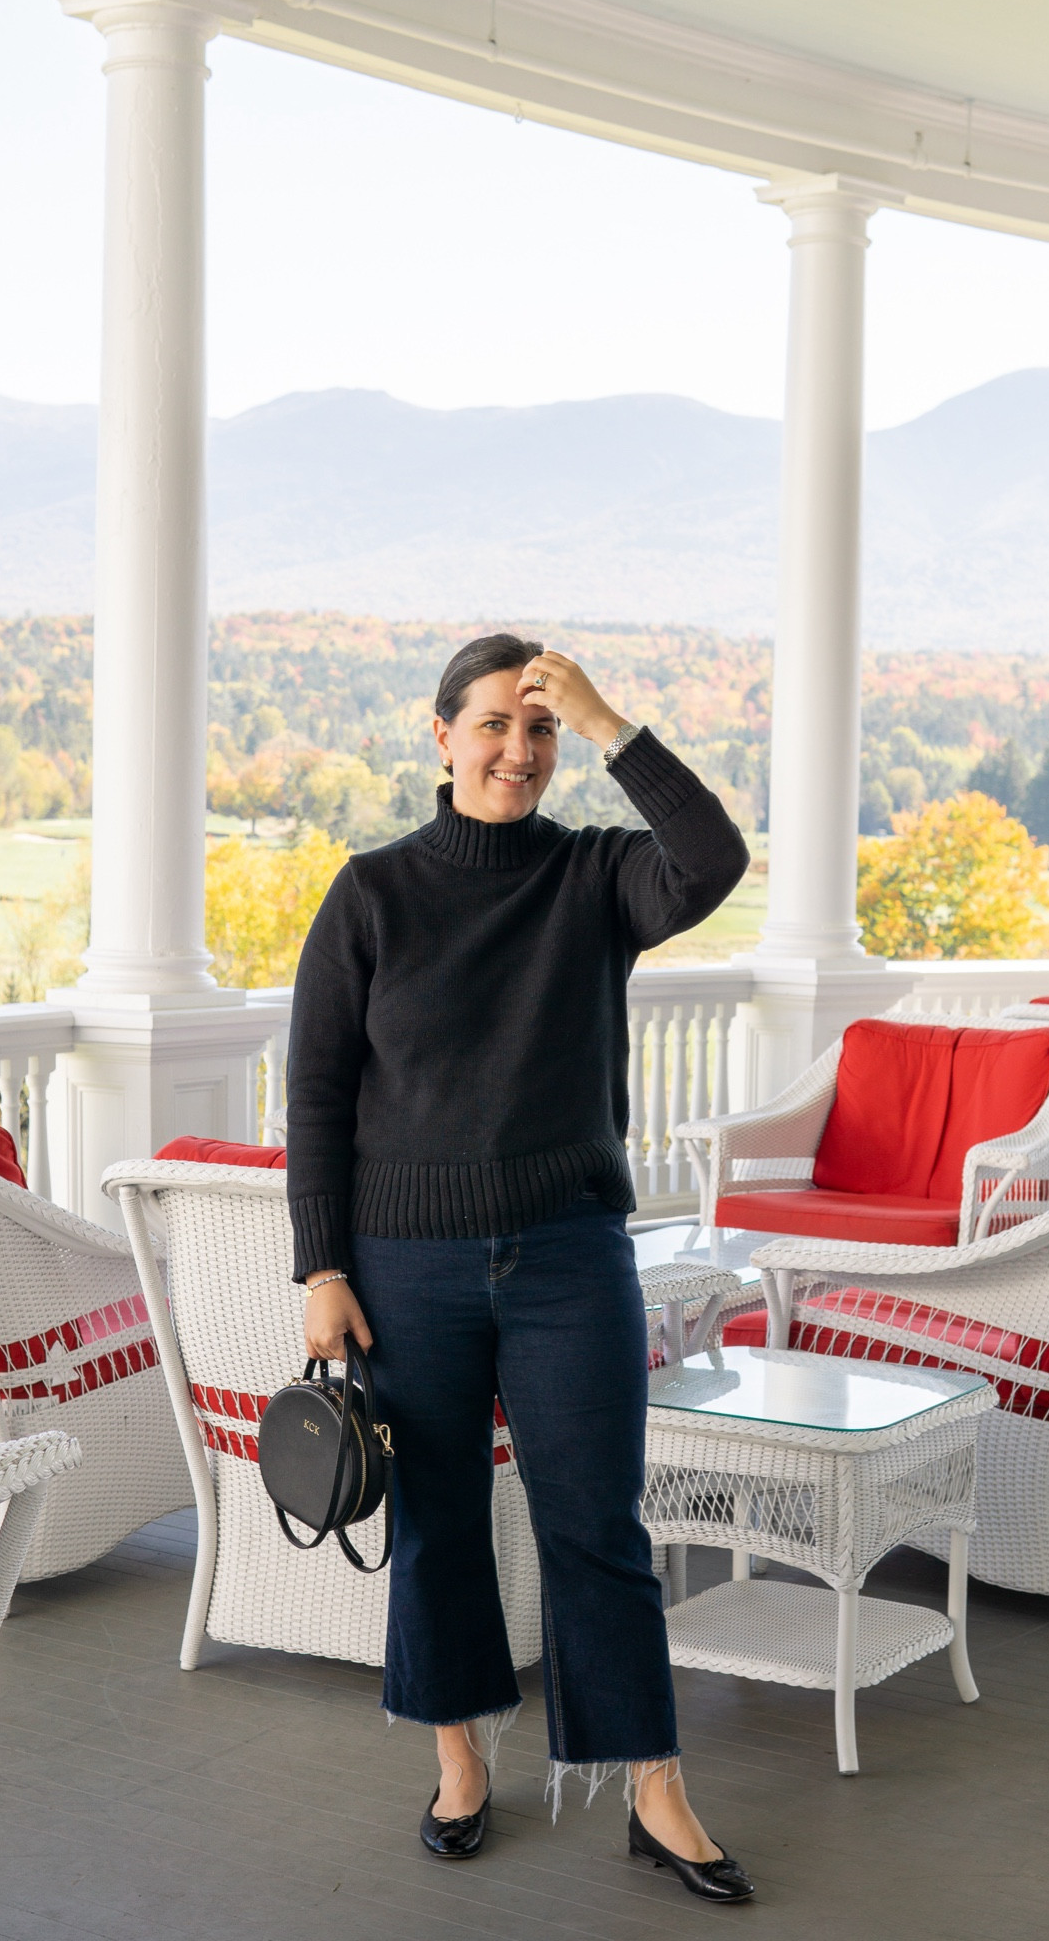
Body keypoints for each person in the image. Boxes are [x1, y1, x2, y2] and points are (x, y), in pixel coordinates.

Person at [286, 633, 754, 1903]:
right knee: (438, 1522)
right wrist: (321, 1264)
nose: (517, 750)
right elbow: (318, 1093)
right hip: (403, 1266)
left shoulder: (597, 877)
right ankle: (457, 1763)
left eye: (538, 730)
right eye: (493, 723)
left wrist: (613, 722)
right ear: (439, 737)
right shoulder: (370, 891)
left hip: (566, 1256)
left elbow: (712, 858)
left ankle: (652, 1789)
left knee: (596, 1526)